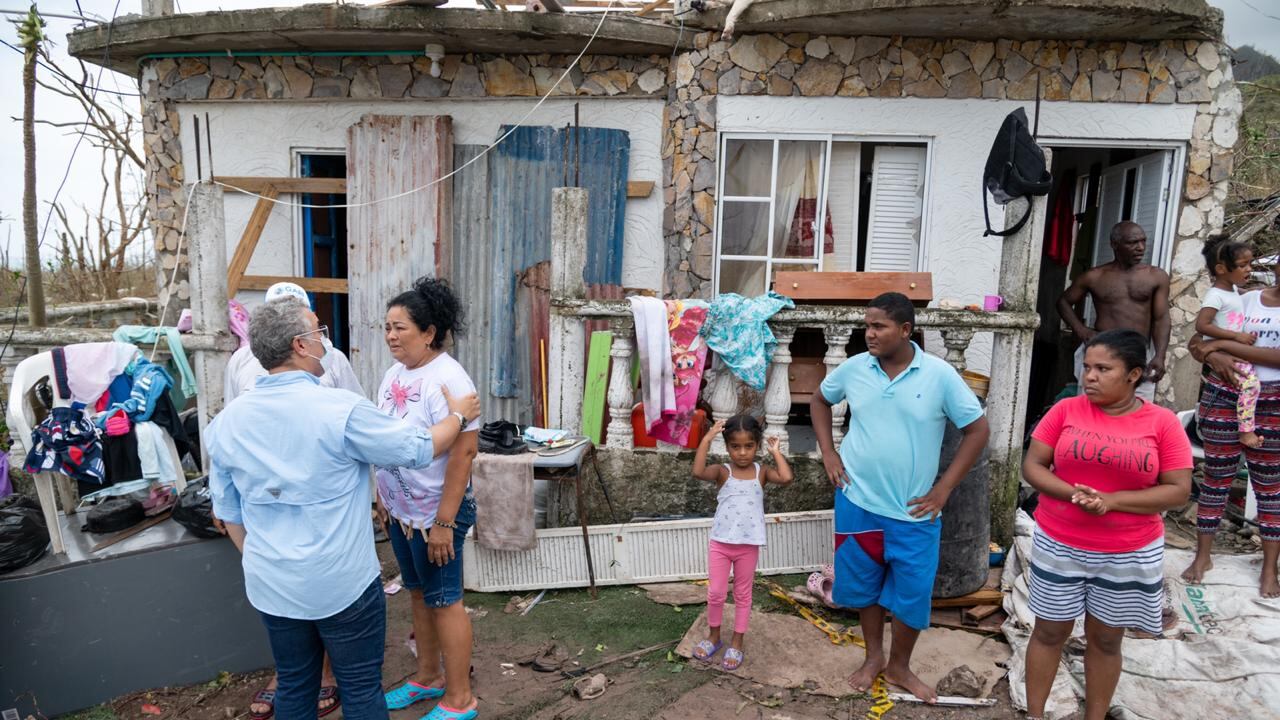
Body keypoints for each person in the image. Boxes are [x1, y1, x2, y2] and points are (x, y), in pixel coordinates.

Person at [205, 298, 480, 720]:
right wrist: (458, 417)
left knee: (294, 684)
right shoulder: (340, 410)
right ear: (300, 345)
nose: (325, 342)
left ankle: (442, 684)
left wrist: (266, 561)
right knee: (360, 687)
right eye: (319, 332)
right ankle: (432, 679)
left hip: (273, 586)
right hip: (342, 584)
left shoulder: (225, 423)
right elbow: (417, 448)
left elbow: (229, 514)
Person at [810, 292, 989, 702]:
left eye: (879, 326)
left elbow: (978, 430)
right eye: (867, 326)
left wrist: (944, 488)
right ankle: (874, 657)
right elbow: (820, 400)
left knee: (912, 594)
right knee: (865, 586)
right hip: (857, 501)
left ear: (906, 329)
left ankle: (899, 667)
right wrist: (829, 453)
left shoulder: (940, 376)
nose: (869, 334)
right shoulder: (855, 368)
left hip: (914, 511)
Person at [1021, 329, 1192, 720]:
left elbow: (1178, 490)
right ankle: (1034, 715)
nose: (1090, 376)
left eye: (1103, 369)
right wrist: (1074, 495)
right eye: (1087, 367)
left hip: (1128, 552)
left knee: (1106, 640)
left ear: (1133, 375)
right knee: (1048, 632)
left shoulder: (1162, 423)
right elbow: (1034, 465)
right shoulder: (1065, 410)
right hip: (1059, 543)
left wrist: (1112, 502)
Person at [219, 282, 365, 720]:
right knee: (298, 621)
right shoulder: (240, 363)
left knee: (323, 600)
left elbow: (361, 422)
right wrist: (455, 420)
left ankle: (325, 673)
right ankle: (293, 676)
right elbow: (227, 426)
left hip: (323, 505)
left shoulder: (331, 359)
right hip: (271, 505)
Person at [377, 278, 481, 720]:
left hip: (436, 513)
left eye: (400, 327)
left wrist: (444, 522)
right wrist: (383, 496)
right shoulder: (395, 374)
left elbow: (464, 453)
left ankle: (460, 699)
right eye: (387, 327)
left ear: (429, 332)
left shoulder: (449, 380)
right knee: (419, 593)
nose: (391, 336)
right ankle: (427, 677)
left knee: (445, 600)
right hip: (403, 511)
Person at [1185, 264, 1280, 598]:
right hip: (1224, 396)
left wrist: (1221, 348)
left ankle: (1269, 568)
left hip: (1273, 404)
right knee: (1216, 477)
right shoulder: (1246, 298)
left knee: (1270, 486)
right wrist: (1215, 357)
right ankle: (1203, 556)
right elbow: (1197, 341)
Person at [689, 415, 794, 671]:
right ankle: (714, 636)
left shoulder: (762, 472)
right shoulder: (722, 471)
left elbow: (786, 477)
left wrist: (775, 452)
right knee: (716, 593)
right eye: (736, 446)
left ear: (757, 445)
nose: (743, 452)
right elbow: (698, 471)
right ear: (727, 447)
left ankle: (737, 642)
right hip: (721, 544)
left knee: (743, 594)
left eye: (749, 446)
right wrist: (707, 438)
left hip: (748, 546)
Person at [1057, 221, 1171, 401]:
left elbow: (1161, 318)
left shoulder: (1156, 276)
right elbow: (1063, 302)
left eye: (1143, 241)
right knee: (1091, 404)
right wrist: (1082, 330)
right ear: (1115, 244)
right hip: (1101, 348)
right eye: (1133, 242)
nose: (1140, 248)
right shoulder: (1095, 276)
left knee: (1138, 406)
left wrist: (1160, 355)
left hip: (1136, 350)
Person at [224, 282, 364, 402]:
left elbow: (355, 406)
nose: (287, 321)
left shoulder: (333, 357)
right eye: (279, 315)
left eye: (294, 314)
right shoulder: (240, 359)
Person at [1196, 236, 1261, 448]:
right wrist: (1236, 336)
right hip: (1223, 353)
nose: (1249, 269)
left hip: (1231, 352)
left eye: (1250, 263)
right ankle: (1246, 431)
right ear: (1221, 269)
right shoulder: (1215, 295)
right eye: (1243, 265)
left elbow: (1242, 297)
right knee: (1251, 384)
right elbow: (1202, 325)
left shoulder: (1231, 289)